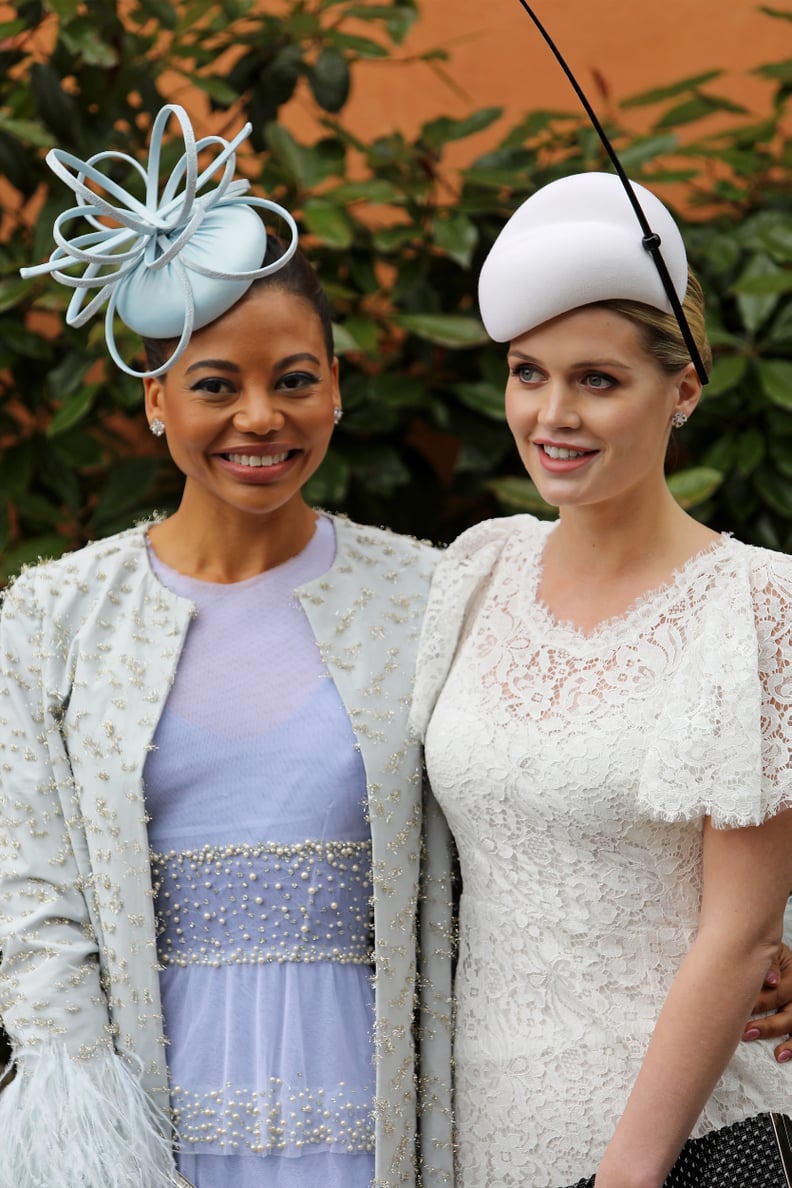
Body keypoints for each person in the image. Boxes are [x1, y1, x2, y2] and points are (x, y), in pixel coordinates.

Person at [0, 105, 454, 1188]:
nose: (261, 417)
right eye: (217, 385)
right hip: (143, 1126)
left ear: (338, 389)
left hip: (380, 1113)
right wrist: (88, 1147)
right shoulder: (50, 619)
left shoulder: (435, 595)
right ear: (156, 402)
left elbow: (540, 811)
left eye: (295, 379)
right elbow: (34, 901)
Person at [410, 171, 792, 1188]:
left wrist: (628, 1178)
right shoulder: (478, 568)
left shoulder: (754, 607)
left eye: (598, 379)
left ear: (686, 386)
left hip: (683, 1139)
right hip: (479, 1127)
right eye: (528, 373)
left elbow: (743, 928)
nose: (552, 414)